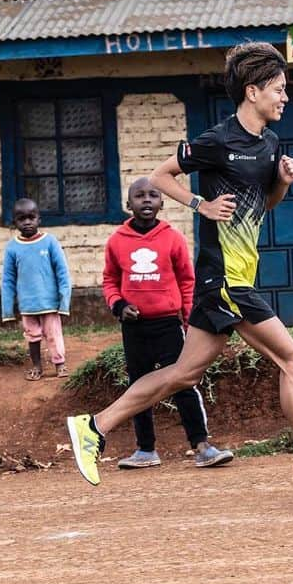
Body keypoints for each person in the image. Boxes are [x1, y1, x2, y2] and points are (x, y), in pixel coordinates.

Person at [67, 42, 293, 494]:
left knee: (183, 373)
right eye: (278, 89)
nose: (285, 97)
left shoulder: (269, 144)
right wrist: (200, 205)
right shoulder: (217, 140)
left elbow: (260, 208)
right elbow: (159, 176)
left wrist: (283, 185)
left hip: (238, 276)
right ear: (252, 92)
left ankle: (94, 427)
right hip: (224, 278)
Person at [103, 177, 235, 469]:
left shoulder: (172, 238)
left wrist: (190, 321)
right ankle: (145, 450)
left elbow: (187, 282)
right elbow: (110, 280)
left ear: (162, 203)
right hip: (135, 329)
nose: (146, 200)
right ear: (128, 204)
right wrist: (119, 305)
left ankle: (202, 445)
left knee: (182, 381)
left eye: (153, 195)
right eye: (139, 196)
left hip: (168, 325)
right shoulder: (116, 241)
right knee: (138, 386)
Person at [1, 198, 72, 380]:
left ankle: (60, 364)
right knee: (32, 336)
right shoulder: (12, 248)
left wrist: (64, 301)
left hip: (50, 303)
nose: (27, 222)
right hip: (27, 305)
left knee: (53, 334)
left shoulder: (50, 242)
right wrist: (7, 309)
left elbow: (62, 273)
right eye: (21, 218)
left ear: (39, 219)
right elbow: (8, 280)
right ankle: (36, 366)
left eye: (31, 217)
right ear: (14, 222)